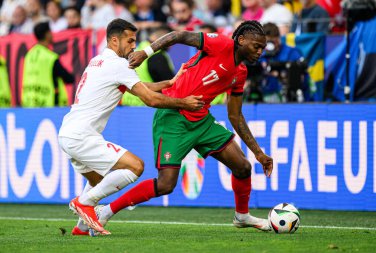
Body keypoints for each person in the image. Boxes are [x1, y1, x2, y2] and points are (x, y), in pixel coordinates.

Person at [94, 20, 274, 234]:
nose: (260, 52)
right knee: (165, 185)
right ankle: (106, 211)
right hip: (174, 117)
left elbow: (235, 115)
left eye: (263, 48)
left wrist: (259, 153)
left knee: (243, 167)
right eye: (257, 46)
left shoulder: (240, 72)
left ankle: (242, 216)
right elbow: (178, 35)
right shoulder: (220, 44)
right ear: (241, 40)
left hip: (201, 120)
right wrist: (146, 52)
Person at [58, 18, 204, 235]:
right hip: (82, 136)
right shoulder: (118, 64)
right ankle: (84, 202)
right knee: (135, 167)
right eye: (130, 40)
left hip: (69, 132)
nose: (134, 46)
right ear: (114, 40)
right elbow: (150, 100)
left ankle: (81, 227)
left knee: (99, 180)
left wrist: (170, 83)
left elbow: (139, 86)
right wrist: (185, 103)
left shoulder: (98, 61)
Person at [22, 22, 74, 107]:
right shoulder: (50, 57)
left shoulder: (29, 55)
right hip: (49, 104)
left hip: (30, 103)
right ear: (47, 34)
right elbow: (68, 78)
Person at [257, 22, 310, 103]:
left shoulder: (292, 52)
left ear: (279, 38)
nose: (271, 46)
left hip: (289, 98)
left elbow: (302, 77)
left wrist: (281, 74)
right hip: (264, 98)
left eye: (274, 42)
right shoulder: (258, 55)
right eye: (267, 43)